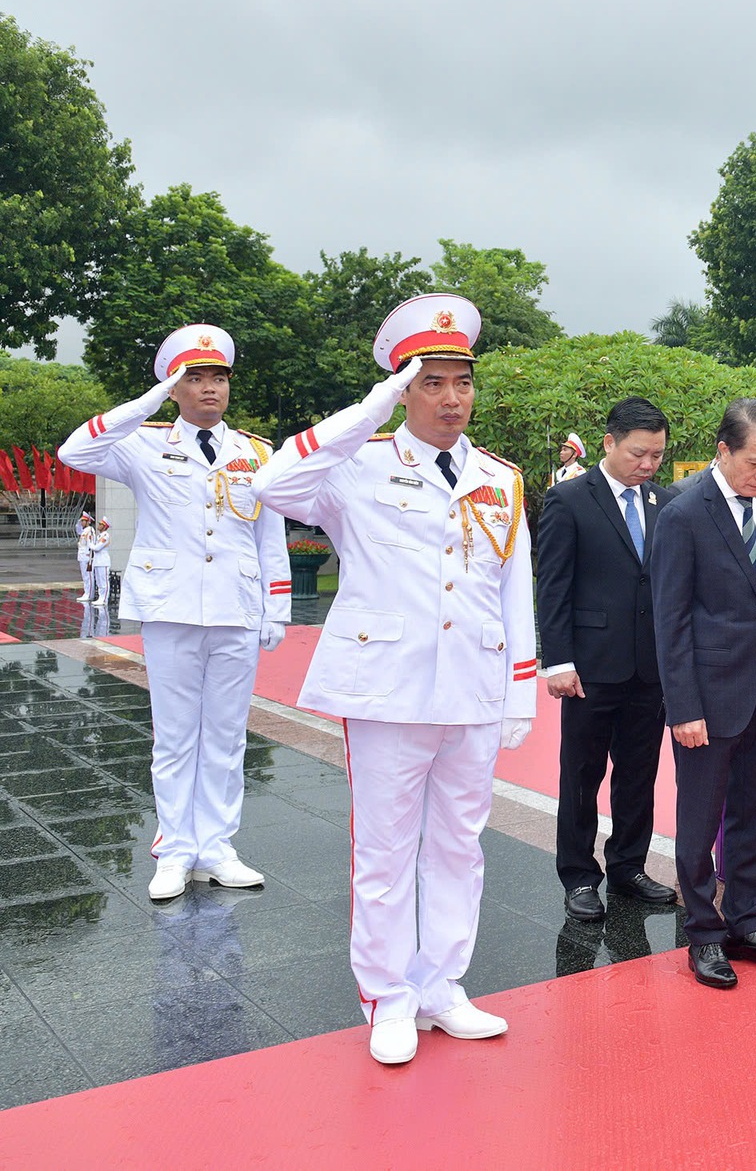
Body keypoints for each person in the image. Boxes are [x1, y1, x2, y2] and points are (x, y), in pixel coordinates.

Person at [252, 295, 534, 1065]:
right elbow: (273, 484)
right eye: (431, 382)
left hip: (471, 687)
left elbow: (514, 587)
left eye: (461, 383)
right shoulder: (358, 467)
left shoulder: (498, 478)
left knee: (459, 845)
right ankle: (387, 996)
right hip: (386, 688)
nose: (451, 398)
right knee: (383, 850)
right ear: (404, 389)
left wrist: (519, 689)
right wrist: (371, 405)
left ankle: (442, 986)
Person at [60, 323, 290, 905]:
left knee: (226, 734)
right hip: (171, 606)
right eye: (194, 378)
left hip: (236, 608)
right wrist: (148, 402)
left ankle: (216, 847)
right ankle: (175, 848)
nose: (208, 389)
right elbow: (74, 451)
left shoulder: (256, 453)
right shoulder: (142, 443)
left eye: (218, 378)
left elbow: (270, 536)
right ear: (174, 385)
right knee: (176, 734)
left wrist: (276, 607)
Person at [650, 397, 756, 989]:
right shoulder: (685, 514)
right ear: (723, 451)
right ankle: (702, 933)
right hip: (707, 698)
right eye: (754, 463)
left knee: (753, 813)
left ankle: (745, 919)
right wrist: (683, 706)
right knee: (700, 818)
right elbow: (671, 620)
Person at [534, 397, 676, 922]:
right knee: (582, 774)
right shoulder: (570, 500)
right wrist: (558, 661)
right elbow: (553, 587)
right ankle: (578, 875)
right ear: (609, 443)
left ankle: (628, 866)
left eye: (657, 455)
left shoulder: (665, 502)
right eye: (639, 453)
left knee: (639, 772)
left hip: (651, 667)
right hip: (591, 666)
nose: (648, 465)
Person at [88, 519, 111, 608]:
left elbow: (97, 548)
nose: (99, 525)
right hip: (98, 561)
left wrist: (89, 544)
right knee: (99, 581)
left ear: (105, 526)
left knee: (104, 581)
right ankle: (101, 597)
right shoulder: (99, 536)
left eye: (101, 524)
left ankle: (104, 599)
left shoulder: (105, 536)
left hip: (103, 561)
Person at [74, 512, 93, 604]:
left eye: (83, 521)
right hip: (82, 556)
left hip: (86, 556)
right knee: (84, 576)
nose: (81, 523)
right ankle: (87, 592)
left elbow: (90, 545)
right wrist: (79, 520)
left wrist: (90, 558)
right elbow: (77, 528)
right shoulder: (84, 531)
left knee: (87, 576)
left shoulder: (89, 531)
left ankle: (88, 593)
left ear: (87, 522)